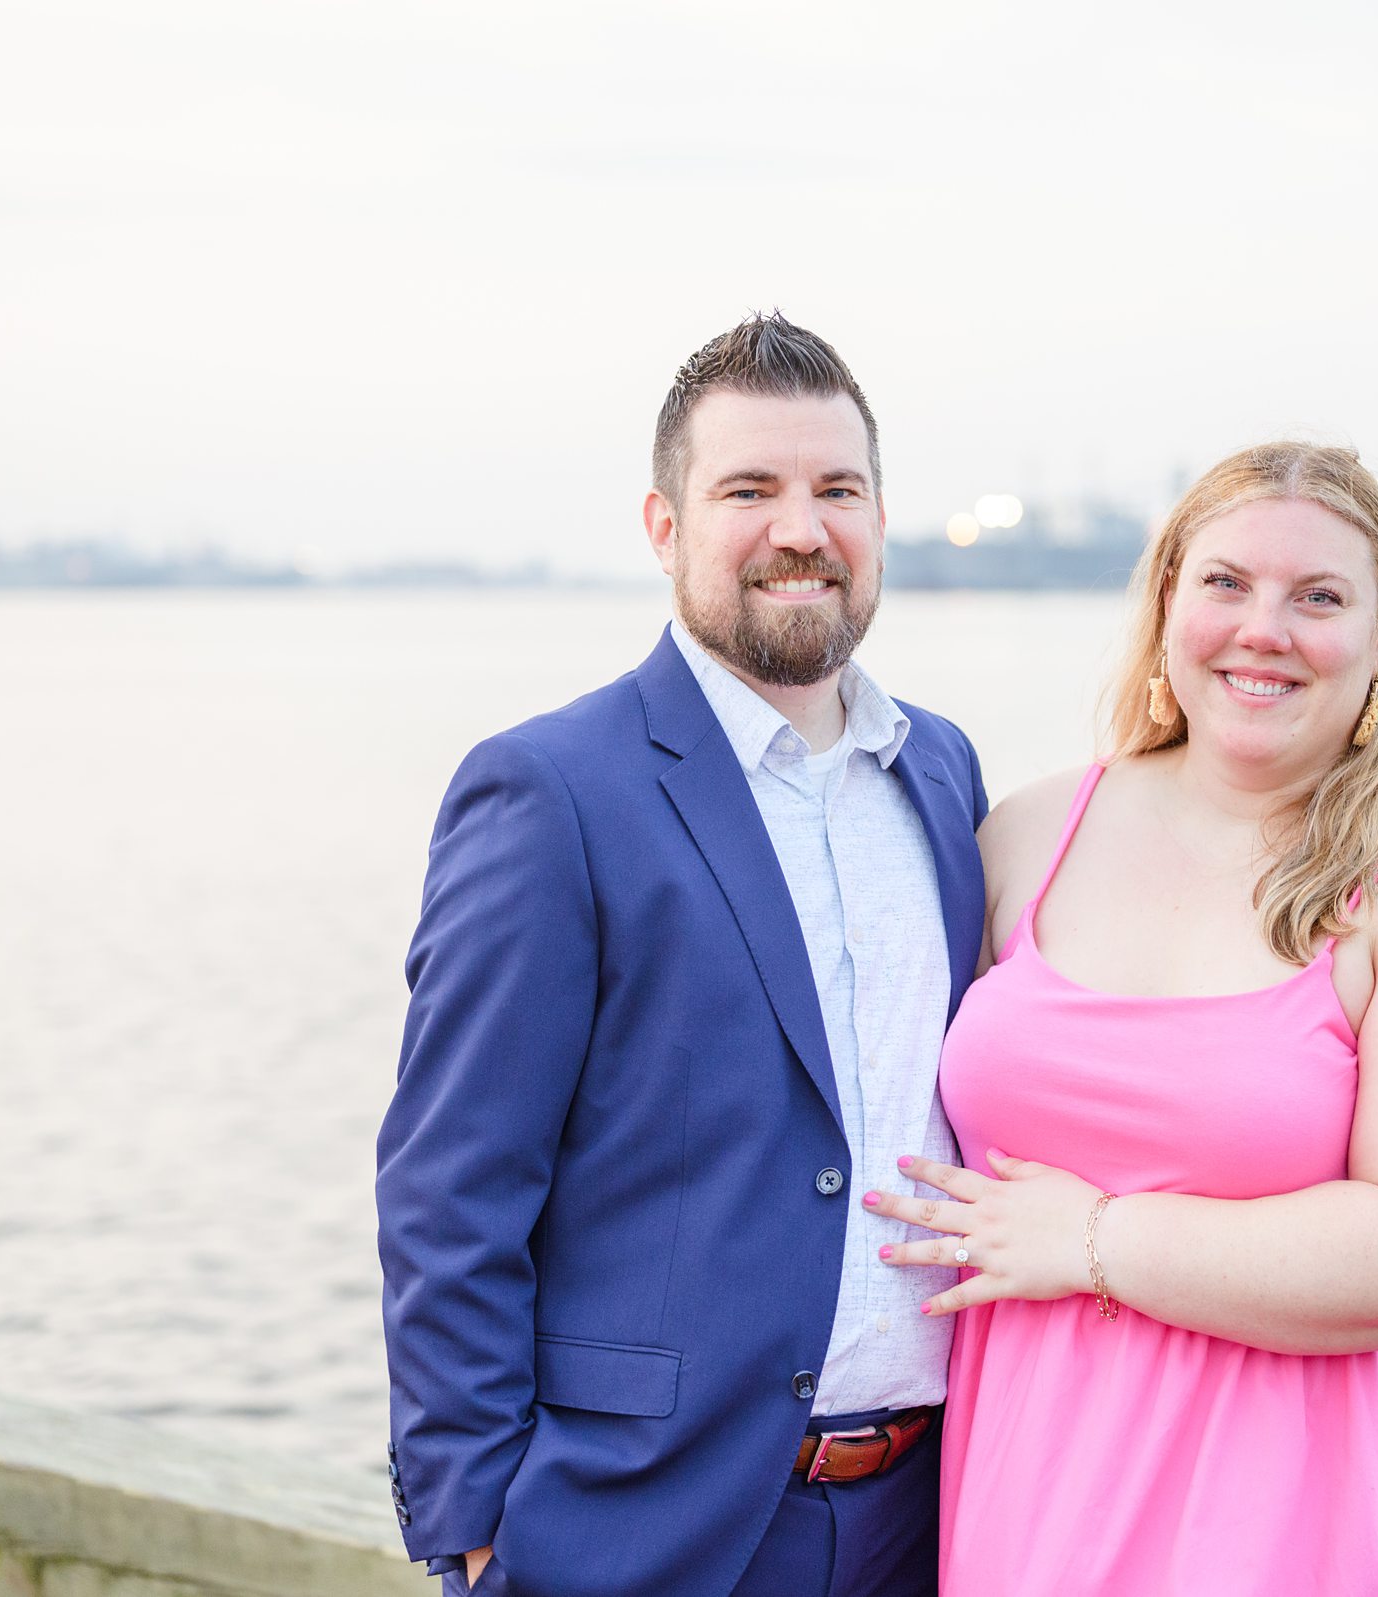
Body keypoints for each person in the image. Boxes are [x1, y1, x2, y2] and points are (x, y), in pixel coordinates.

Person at [866, 441, 1378, 1594]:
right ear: (1167, 603)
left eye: (1320, 597)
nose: (1264, 628)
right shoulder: (1028, 835)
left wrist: (1095, 1240)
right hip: (1031, 1503)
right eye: (1227, 582)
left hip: (1309, 1527)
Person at [376, 312, 990, 1597]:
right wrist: (480, 1532)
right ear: (666, 527)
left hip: (926, 1520)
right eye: (748, 489)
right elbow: (450, 1189)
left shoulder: (939, 773)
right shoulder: (551, 791)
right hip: (643, 1531)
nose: (801, 529)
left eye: (838, 489)